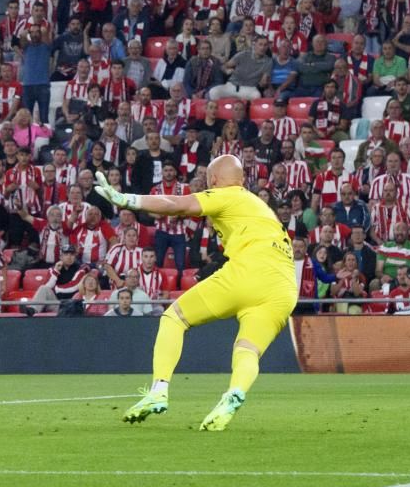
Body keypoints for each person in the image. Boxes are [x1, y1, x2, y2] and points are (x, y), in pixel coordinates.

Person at [93, 155, 296, 430]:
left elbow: (179, 205)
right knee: (248, 349)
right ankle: (234, 393)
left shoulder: (228, 195)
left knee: (174, 318)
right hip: (284, 287)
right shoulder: (259, 206)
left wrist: (125, 199)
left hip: (251, 269)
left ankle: (158, 391)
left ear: (213, 180)